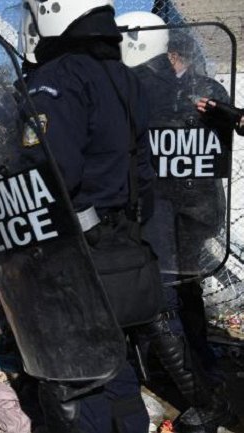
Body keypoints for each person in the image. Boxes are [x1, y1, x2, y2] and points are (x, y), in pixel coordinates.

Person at [22, 1, 157, 431]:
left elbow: (49, 171)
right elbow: (144, 168)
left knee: (73, 371)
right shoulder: (125, 77)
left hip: (72, 248)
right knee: (114, 356)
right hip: (122, 239)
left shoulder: (58, 77)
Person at [117, 12, 239, 432]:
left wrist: (226, 115)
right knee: (180, 291)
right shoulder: (164, 88)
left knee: (173, 294)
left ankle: (202, 385)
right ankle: (199, 370)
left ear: (174, 55)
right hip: (174, 209)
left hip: (186, 209)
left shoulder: (198, 89)